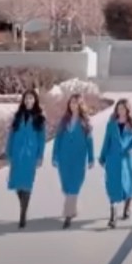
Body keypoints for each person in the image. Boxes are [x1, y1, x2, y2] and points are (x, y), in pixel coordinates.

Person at [52, 93, 95, 229]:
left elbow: (90, 141)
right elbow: (57, 139)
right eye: (71, 103)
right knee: (66, 186)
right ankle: (73, 206)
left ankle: (68, 215)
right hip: (64, 158)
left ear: (80, 105)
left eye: (75, 103)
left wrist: (91, 158)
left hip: (78, 158)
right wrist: (54, 156)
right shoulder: (64, 121)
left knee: (75, 184)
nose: (73, 105)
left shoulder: (85, 122)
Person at [99, 98, 132, 227]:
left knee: (129, 184)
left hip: (128, 159)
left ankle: (127, 206)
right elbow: (106, 141)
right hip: (113, 159)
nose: (121, 111)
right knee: (112, 185)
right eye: (119, 108)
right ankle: (113, 216)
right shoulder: (111, 124)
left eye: (123, 108)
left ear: (127, 110)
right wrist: (102, 157)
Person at [7, 89, 47, 229]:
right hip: (17, 154)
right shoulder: (17, 116)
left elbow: (42, 139)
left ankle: (23, 214)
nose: (28, 101)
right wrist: (8, 152)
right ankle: (22, 204)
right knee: (17, 184)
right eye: (26, 98)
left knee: (27, 183)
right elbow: (11, 136)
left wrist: (40, 156)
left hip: (30, 155)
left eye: (31, 98)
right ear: (23, 100)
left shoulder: (39, 118)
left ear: (35, 100)